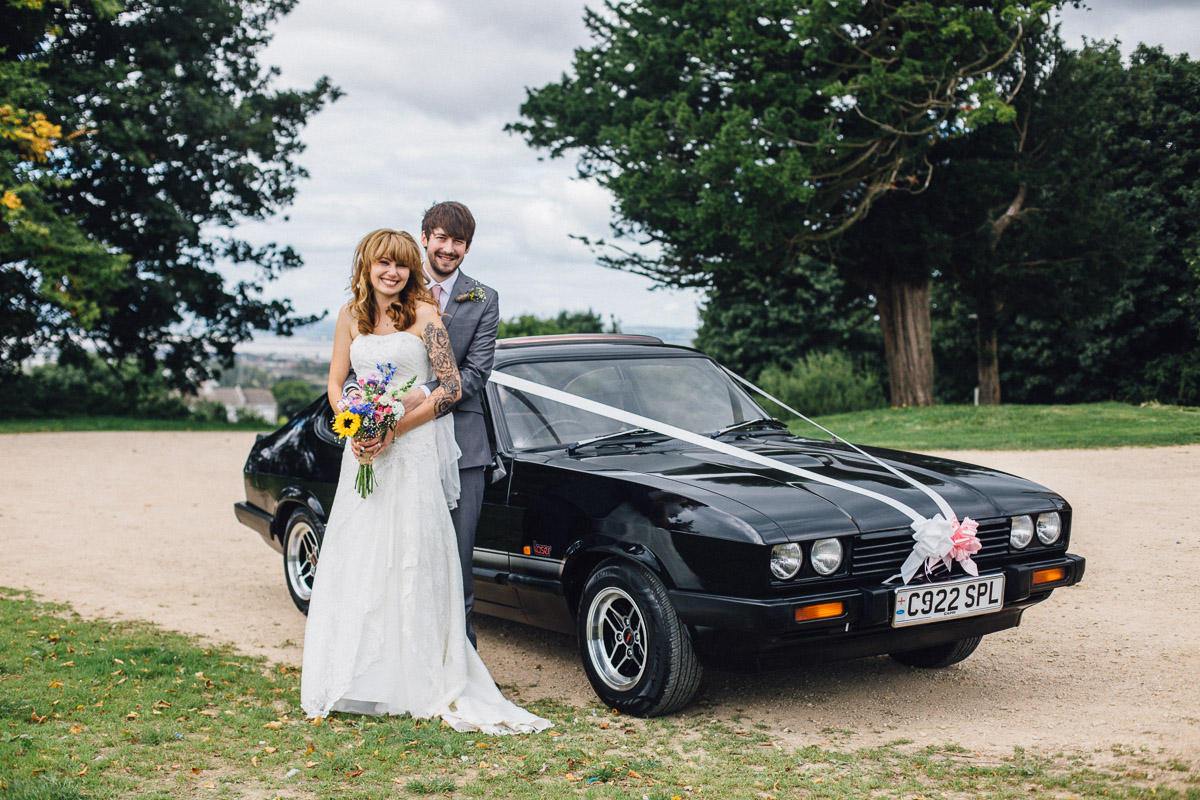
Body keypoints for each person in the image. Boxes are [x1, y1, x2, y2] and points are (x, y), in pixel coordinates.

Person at [300, 228, 549, 734]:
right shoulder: (350, 316)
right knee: (363, 554)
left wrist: (391, 429)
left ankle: (418, 677)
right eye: (383, 264)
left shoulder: (426, 316)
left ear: (412, 269)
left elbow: (453, 385)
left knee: (413, 554)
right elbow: (335, 381)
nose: (393, 273)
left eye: (402, 265)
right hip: (364, 454)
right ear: (367, 266)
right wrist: (353, 419)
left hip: (411, 452)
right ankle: (361, 677)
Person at [348, 201, 499, 648]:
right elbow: (370, 361)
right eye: (441, 238)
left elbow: (474, 374)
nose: (448, 248)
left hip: (462, 443)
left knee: (454, 555)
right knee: (395, 553)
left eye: (459, 242)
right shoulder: (395, 288)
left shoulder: (484, 298)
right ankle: (398, 654)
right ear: (425, 238)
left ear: (467, 248)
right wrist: (373, 414)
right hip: (394, 442)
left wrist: (417, 401)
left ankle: (460, 658)